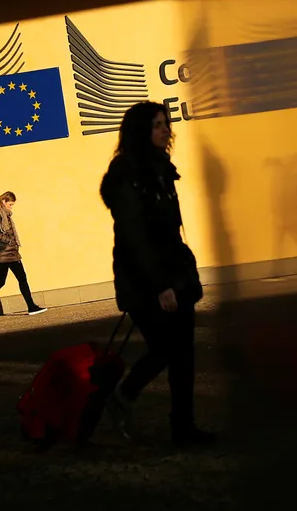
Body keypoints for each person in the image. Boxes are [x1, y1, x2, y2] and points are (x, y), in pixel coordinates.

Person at [99, 101, 214, 446]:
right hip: (146, 281)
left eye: (166, 123)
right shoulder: (128, 175)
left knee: (183, 353)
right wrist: (161, 285)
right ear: (141, 132)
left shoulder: (160, 167)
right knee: (167, 348)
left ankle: (183, 426)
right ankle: (124, 397)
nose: (166, 130)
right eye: (157, 125)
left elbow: (168, 231)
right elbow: (134, 235)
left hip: (174, 274)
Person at [0, 191, 46, 321]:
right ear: (3, 201)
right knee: (12, 280)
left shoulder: (4, 214)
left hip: (9, 253)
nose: (11, 207)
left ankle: (31, 306)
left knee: (6, 281)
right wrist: (8, 240)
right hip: (5, 254)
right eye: (10, 204)